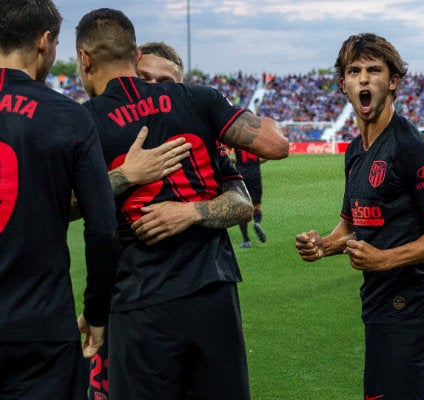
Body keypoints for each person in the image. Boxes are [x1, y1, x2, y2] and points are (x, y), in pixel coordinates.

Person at [75, 8, 288, 399]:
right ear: (133, 57)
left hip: (142, 300)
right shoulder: (198, 102)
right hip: (211, 295)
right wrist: (131, 174)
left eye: (165, 81)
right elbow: (276, 143)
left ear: (84, 60)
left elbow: (63, 204)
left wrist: (189, 211)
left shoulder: (86, 119)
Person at [295, 33, 424, 400]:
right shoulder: (355, 150)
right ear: (343, 85)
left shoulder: (415, 148)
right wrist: (324, 245)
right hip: (377, 303)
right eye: (355, 71)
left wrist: (384, 259)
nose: (364, 79)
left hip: (409, 307)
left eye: (375, 70)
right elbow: (352, 225)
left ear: (394, 82)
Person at [0, 1, 119, 399]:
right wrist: (98, 313)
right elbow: (102, 230)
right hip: (40, 330)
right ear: (45, 41)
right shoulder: (67, 116)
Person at [230, 148, 267, 247]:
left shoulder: (237, 141)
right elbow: (265, 157)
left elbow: (225, 154)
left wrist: (233, 160)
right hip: (255, 175)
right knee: (256, 206)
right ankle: (257, 222)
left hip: (241, 175)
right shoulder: (255, 143)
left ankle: (246, 240)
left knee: (242, 208)